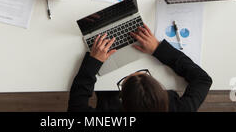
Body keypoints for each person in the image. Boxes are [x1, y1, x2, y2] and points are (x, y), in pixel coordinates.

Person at [67, 24, 212, 112]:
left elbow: (76, 108)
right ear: (162, 94)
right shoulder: (179, 108)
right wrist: (158, 49)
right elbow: (203, 79)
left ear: (122, 100)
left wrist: (93, 62)